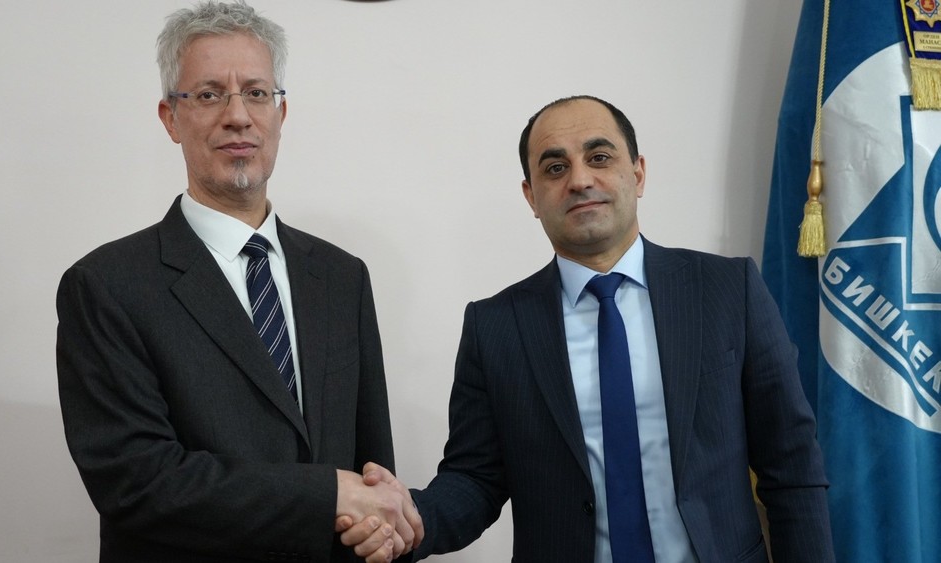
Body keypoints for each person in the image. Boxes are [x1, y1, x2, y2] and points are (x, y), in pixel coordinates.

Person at [340, 95, 834, 562]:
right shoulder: (495, 326)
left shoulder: (728, 289)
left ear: (637, 173)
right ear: (532, 197)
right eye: (555, 168)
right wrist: (406, 522)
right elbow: (475, 479)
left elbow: (791, 463)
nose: (579, 180)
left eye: (599, 158)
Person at [55, 2, 421, 561]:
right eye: (208, 94)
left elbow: (372, 470)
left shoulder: (342, 277)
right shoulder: (105, 286)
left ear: (280, 112)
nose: (238, 116)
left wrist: (382, 526)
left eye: (256, 92)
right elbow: (137, 482)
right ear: (170, 118)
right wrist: (326, 495)